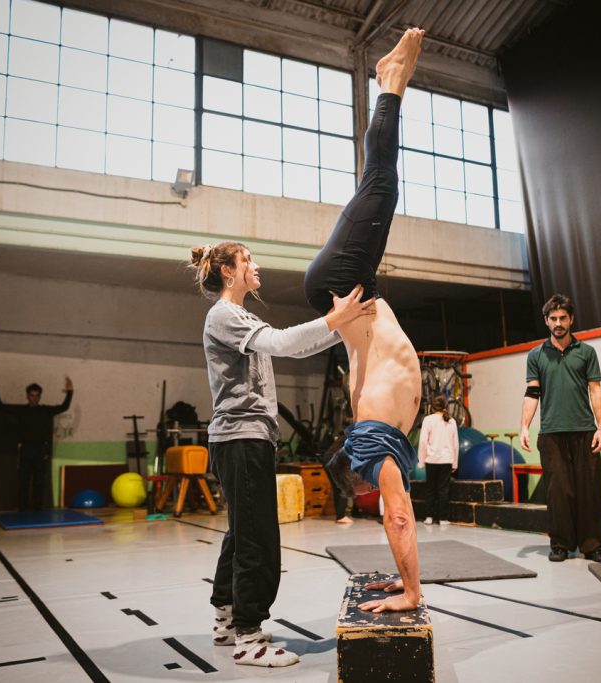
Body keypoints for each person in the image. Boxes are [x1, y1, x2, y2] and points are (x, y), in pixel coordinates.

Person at [190, 241, 375, 668]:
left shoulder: (242, 317)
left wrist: (340, 325)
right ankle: (248, 638)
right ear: (228, 271)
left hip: (245, 439)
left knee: (242, 533)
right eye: (247, 260)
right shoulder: (223, 315)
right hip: (241, 439)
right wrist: (336, 318)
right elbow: (283, 342)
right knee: (257, 538)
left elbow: (294, 346)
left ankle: (227, 620)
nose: (256, 266)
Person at [306, 27, 427, 613]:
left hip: (342, 286)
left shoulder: (375, 431)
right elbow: (398, 510)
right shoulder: (375, 422)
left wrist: (412, 591)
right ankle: (388, 82)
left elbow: (397, 514)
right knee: (378, 184)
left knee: (380, 182)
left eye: (366, 483)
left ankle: (390, 82)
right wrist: (403, 580)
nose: (376, 488)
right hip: (349, 292)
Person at [519, 294, 601, 563]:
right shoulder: (536, 355)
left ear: (571, 320)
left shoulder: (587, 352)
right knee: (558, 492)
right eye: (553, 318)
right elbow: (532, 393)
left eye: (563, 318)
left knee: (589, 491)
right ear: (546, 321)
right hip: (551, 434)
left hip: (585, 431)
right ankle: (560, 545)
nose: (558, 323)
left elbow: (595, 390)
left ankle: (593, 545)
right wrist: (524, 427)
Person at [0, 377, 73, 511]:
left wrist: (70, 391)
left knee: (39, 481)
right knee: (23, 480)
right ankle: (23, 509)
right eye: (31, 395)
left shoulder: (46, 410)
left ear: (40, 397)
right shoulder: (21, 410)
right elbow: (0, 407)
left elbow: (64, 407)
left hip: (41, 450)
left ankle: (37, 509)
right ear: (27, 396)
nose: (34, 398)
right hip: (26, 449)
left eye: (37, 395)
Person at [418, 395, 459, 526]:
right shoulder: (451, 421)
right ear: (445, 406)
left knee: (430, 489)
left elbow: (423, 441)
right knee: (443, 490)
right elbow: (455, 444)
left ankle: (429, 517)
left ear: (432, 406)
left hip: (431, 459)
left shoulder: (428, 420)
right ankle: (443, 519)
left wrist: (421, 461)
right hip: (446, 460)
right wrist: (455, 462)